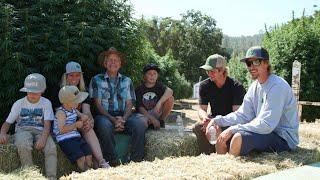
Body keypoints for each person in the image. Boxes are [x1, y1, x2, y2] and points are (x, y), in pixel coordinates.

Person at [206, 46, 299, 156]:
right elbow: (243, 115)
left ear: (266, 63)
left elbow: (267, 124)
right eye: (248, 63)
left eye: (256, 62)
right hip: (265, 132)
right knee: (218, 130)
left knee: (238, 137)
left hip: (283, 139)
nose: (251, 67)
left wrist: (233, 129)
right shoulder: (254, 86)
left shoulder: (277, 86)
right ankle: (221, 168)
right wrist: (217, 120)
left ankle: (232, 169)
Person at [89, 47, 146, 165]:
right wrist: (112, 119)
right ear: (105, 63)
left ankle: (136, 161)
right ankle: (113, 161)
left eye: (116, 60)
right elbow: (97, 105)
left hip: (124, 115)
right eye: (110, 60)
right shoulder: (96, 79)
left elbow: (130, 104)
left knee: (140, 124)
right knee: (104, 125)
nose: (113, 63)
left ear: (120, 64)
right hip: (105, 116)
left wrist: (123, 119)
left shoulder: (127, 80)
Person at [0, 73, 57, 179]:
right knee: (22, 143)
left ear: (42, 91)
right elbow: (8, 122)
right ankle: (30, 174)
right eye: (29, 91)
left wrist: (44, 139)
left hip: (41, 131)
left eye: (36, 92)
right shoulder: (19, 103)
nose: (32, 94)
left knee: (51, 147)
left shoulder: (46, 103)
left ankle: (51, 176)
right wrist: (2, 133)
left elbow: (47, 124)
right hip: (23, 130)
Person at [55, 61, 109, 169]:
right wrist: (77, 123)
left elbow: (86, 111)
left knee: (87, 126)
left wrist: (90, 119)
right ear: (66, 76)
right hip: (65, 126)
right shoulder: (61, 91)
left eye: (77, 75)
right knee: (83, 125)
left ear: (81, 76)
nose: (74, 78)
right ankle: (90, 166)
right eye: (71, 75)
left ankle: (101, 161)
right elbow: (59, 114)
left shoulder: (83, 91)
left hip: (78, 125)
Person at [193, 54, 246, 154]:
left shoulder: (236, 86)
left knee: (217, 129)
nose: (209, 74)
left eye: (212, 71)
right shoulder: (204, 85)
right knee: (197, 127)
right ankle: (206, 155)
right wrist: (205, 118)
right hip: (213, 119)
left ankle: (223, 154)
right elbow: (201, 109)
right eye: (207, 71)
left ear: (222, 70)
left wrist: (218, 122)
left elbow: (237, 114)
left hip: (231, 122)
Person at [53, 85, 92, 172]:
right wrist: (76, 125)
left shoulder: (73, 109)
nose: (78, 103)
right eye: (76, 101)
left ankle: (89, 171)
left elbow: (81, 115)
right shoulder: (61, 113)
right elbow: (61, 130)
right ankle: (84, 173)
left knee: (88, 154)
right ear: (66, 102)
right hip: (65, 139)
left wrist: (84, 117)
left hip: (76, 137)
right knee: (81, 157)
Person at [135, 63, 174, 129]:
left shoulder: (159, 86)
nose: (152, 76)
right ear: (144, 76)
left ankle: (161, 120)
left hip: (156, 111)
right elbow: (140, 108)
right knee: (141, 121)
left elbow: (170, 91)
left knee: (170, 99)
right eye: (149, 73)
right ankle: (151, 123)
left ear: (157, 76)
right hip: (144, 114)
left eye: (154, 74)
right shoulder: (139, 89)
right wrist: (151, 118)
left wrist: (159, 103)